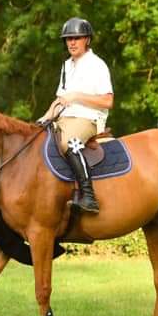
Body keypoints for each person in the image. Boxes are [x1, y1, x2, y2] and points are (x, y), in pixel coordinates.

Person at [36, 17, 113, 213]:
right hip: (63, 118)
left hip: (88, 119)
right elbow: (59, 99)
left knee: (68, 142)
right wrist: (43, 119)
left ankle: (89, 196)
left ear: (87, 39)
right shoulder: (66, 65)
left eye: (76, 38)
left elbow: (107, 101)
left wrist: (77, 96)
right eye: (68, 38)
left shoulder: (97, 65)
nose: (71, 42)